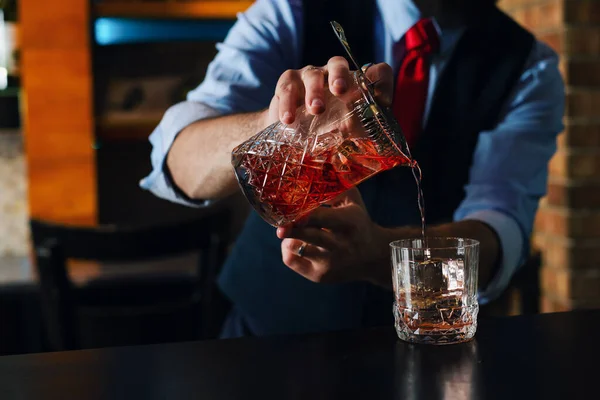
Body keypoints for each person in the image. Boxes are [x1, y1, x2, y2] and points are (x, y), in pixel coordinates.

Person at [140, 0, 564, 337]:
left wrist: (378, 253)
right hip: (265, 340)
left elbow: (501, 231)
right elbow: (175, 159)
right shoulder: (295, 9)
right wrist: (272, 126)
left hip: (424, 350)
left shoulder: (527, 64)